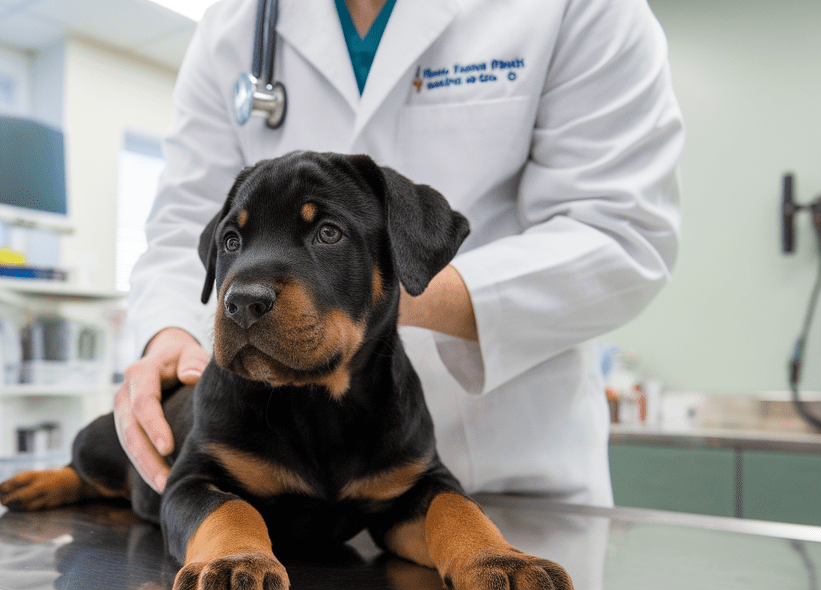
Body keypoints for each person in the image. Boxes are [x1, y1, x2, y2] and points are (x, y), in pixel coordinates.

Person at [117, 0, 683, 506]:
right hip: (269, 487)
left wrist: (376, 291)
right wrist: (168, 338)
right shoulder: (236, 22)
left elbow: (620, 231)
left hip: (505, 479)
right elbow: (187, 225)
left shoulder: (578, 8)